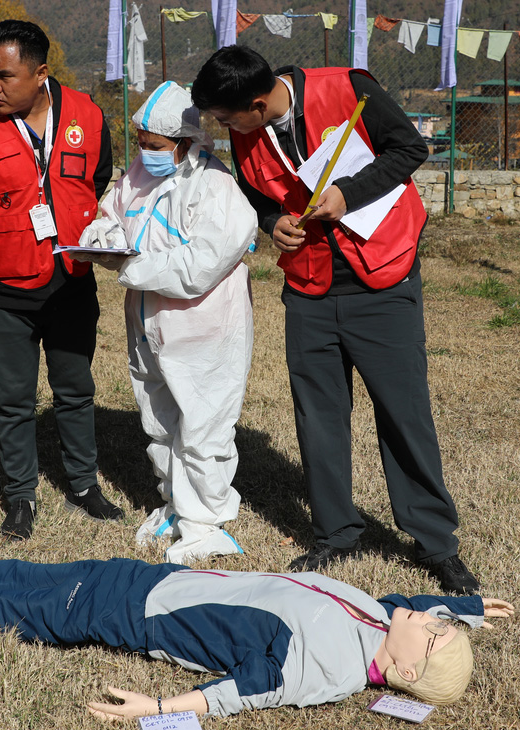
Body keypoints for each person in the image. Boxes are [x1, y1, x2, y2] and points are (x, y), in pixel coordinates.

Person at [191, 47, 479, 594]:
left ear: (256, 102)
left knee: (403, 412)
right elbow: (257, 196)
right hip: (308, 286)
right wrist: (272, 223)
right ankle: (336, 532)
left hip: (383, 278)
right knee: (318, 414)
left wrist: (349, 194)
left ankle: (435, 542)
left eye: (227, 120)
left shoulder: (349, 89)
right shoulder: (248, 129)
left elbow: (409, 148)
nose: (224, 130)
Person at [0, 528, 515, 719]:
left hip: (141, 615)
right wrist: (459, 610)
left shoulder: (333, 667)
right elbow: (407, 599)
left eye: (433, 635)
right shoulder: (378, 619)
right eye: (438, 624)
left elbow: (247, 689)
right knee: (50, 571)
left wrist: (155, 706)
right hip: (157, 582)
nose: (428, 620)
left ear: (404, 670)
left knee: (27, 611)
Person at [0, 20, 121, 541]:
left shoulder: (87, 114)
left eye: (5, 76)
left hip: (69, 283)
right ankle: (21, 496)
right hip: (1, 291)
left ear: (41, 73)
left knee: (75, 389)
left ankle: (83, 485)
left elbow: (98, 177)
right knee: (13, 399)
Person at [69, 82, 256, 564]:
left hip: (203, 328)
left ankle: (207, 524)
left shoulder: (216, 187)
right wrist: (100, 237)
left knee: (204, 425)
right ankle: (177, 504)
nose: (144, 152)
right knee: (159, 418)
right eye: (140, 142)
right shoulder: (140, 173)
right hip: (147, 320)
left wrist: (130, 267)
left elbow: (202, 264)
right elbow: (114, 212)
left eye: (154, 145)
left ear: (187, 142)